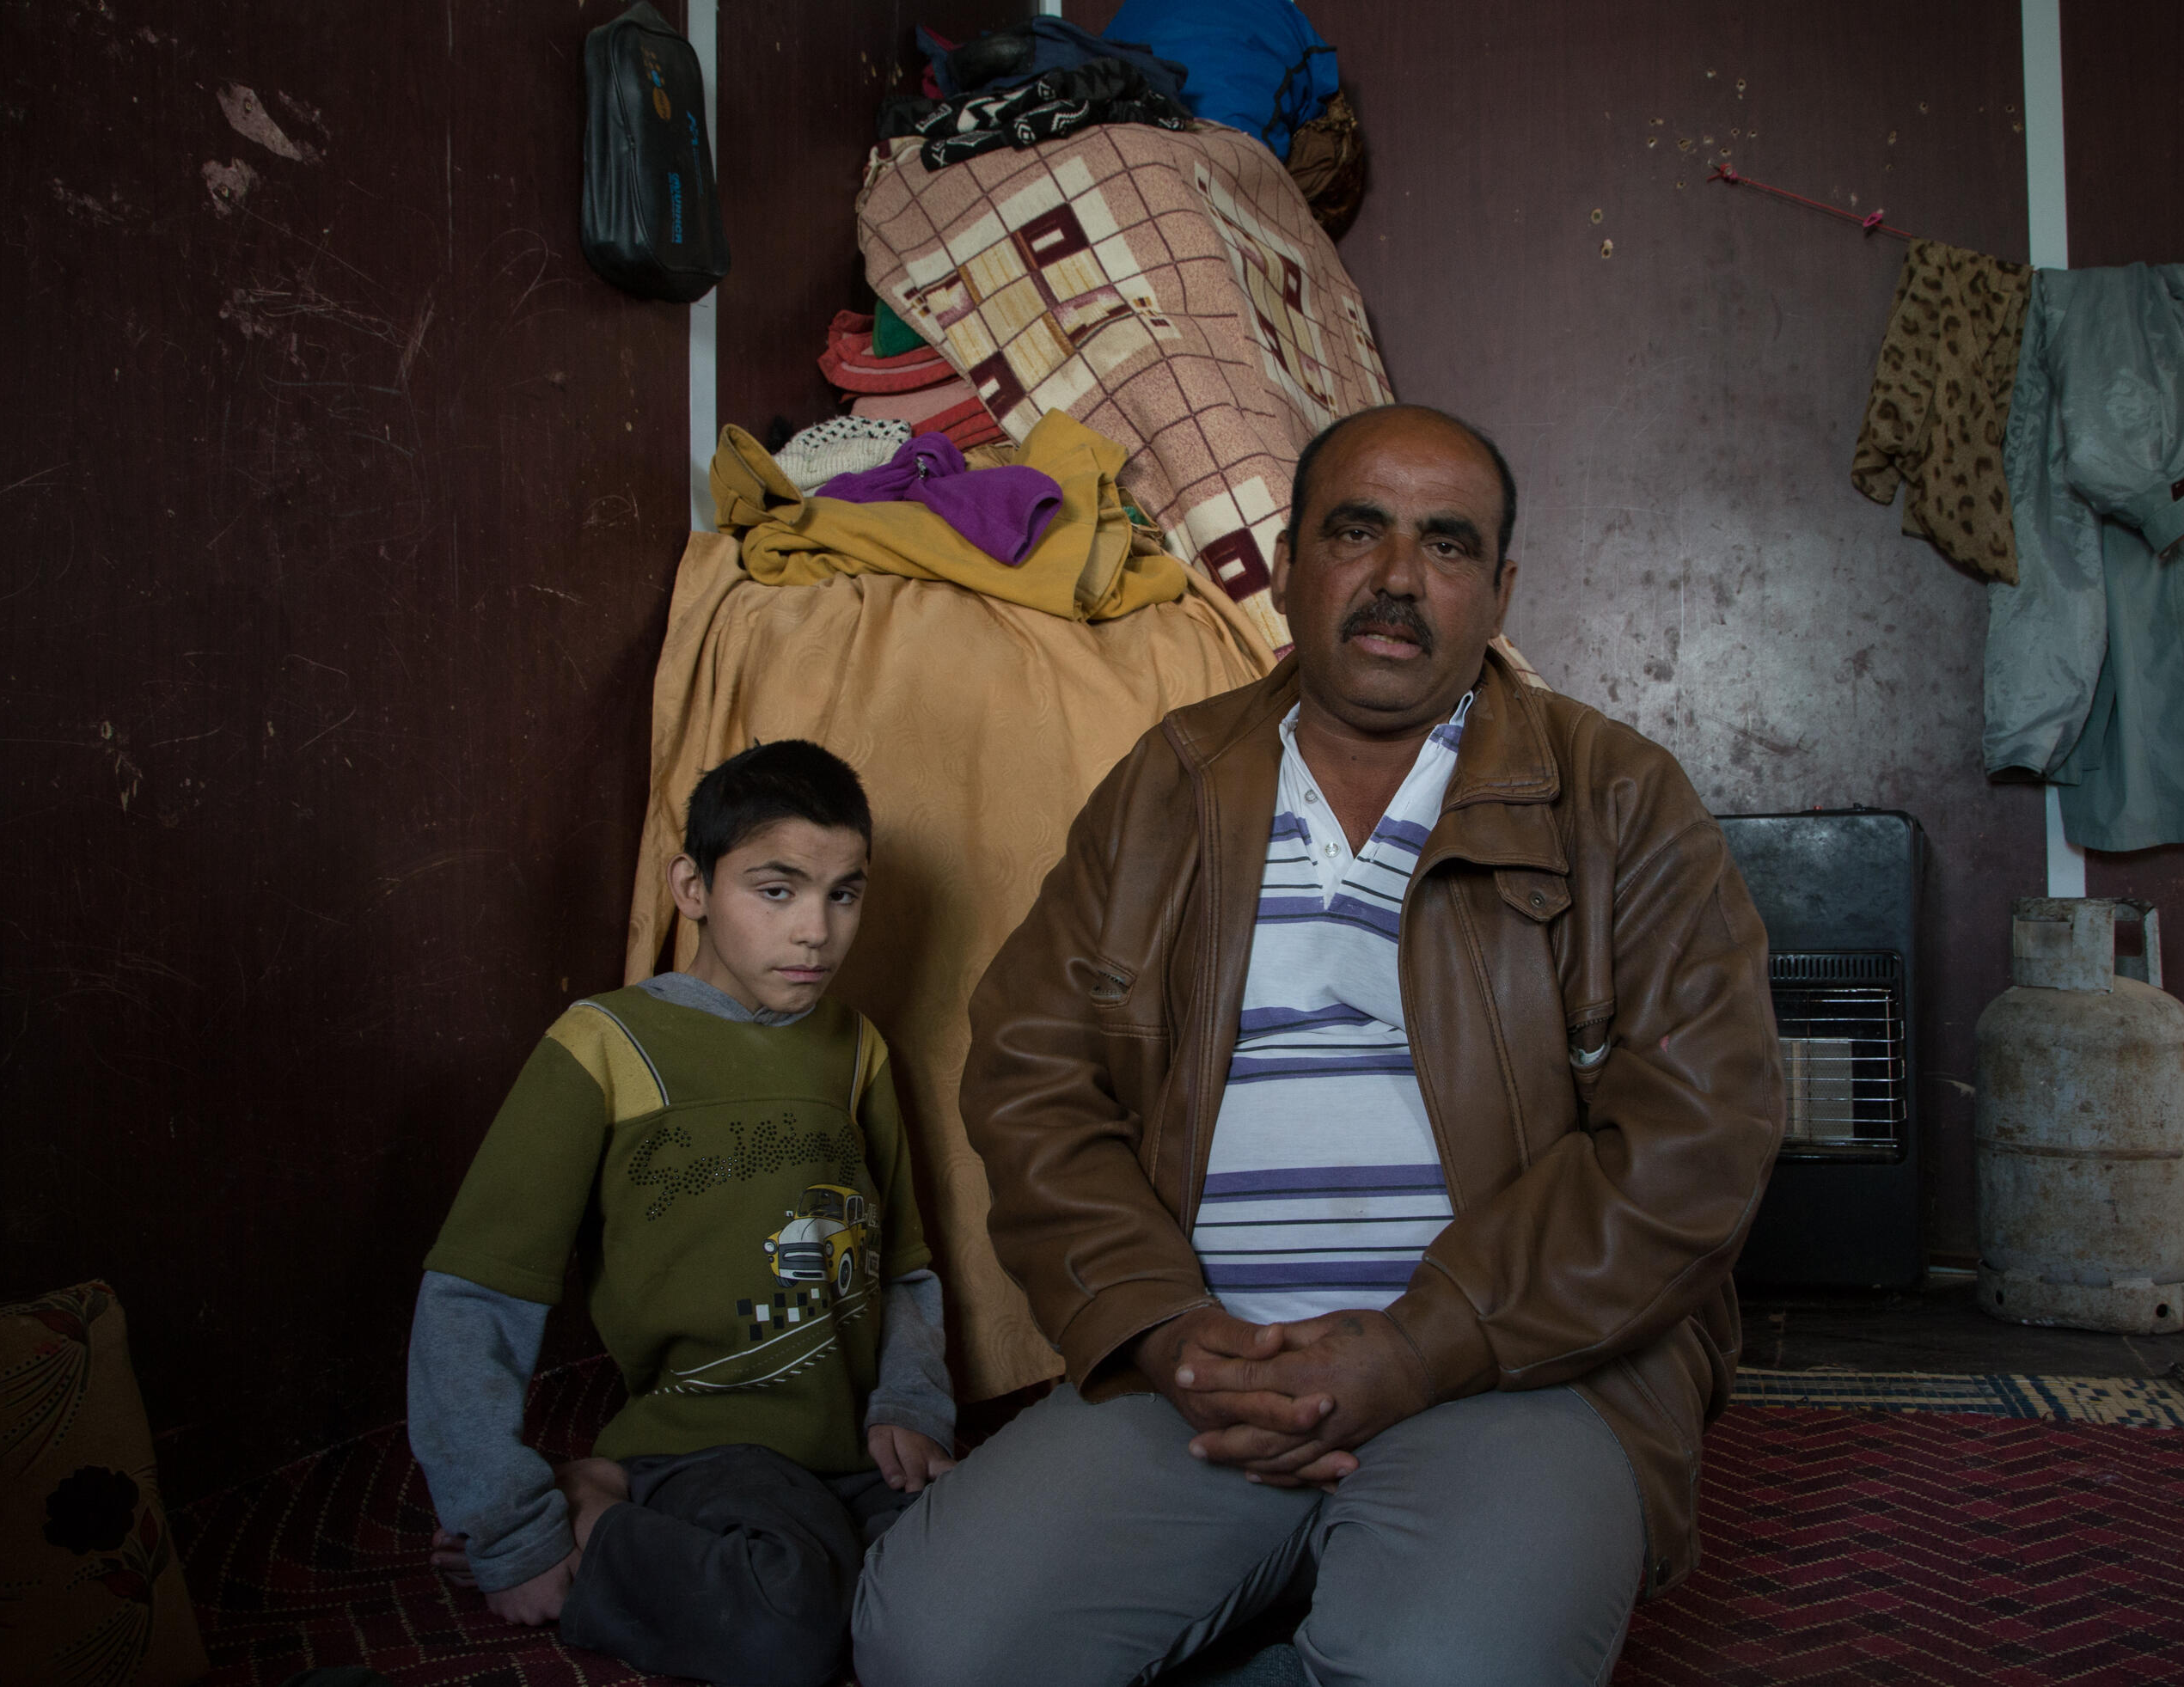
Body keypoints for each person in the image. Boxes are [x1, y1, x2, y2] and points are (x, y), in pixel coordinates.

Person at [853, 406, 1783, 1686]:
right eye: (1360, 530)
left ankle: (1358, 1595)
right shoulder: (1168, 784)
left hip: (1513, 1372)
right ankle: (1313, 1589)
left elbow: (1700, 1138)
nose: (1400, 578)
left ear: (1500, 589)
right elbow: (1033, 1071)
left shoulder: (1620, 798)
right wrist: (1163, 1325)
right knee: (930, 1645)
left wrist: (1417, 1344)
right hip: (1210, 1366)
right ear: (1287, 564)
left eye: (1449, 545)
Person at [407, 740, 956, 1687]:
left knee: (981, 1598)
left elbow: (900, 1264)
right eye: (776, 890)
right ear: (692, 887)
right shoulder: (606, 1042)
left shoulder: (856, 1049)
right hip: (712, 1440)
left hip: (857, 1448)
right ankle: (595, 1511)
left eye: (845, 893)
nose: (817, 931)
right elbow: (475, 1293)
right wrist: (503, 1517)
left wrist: (911, 1401)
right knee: (787, 1625)